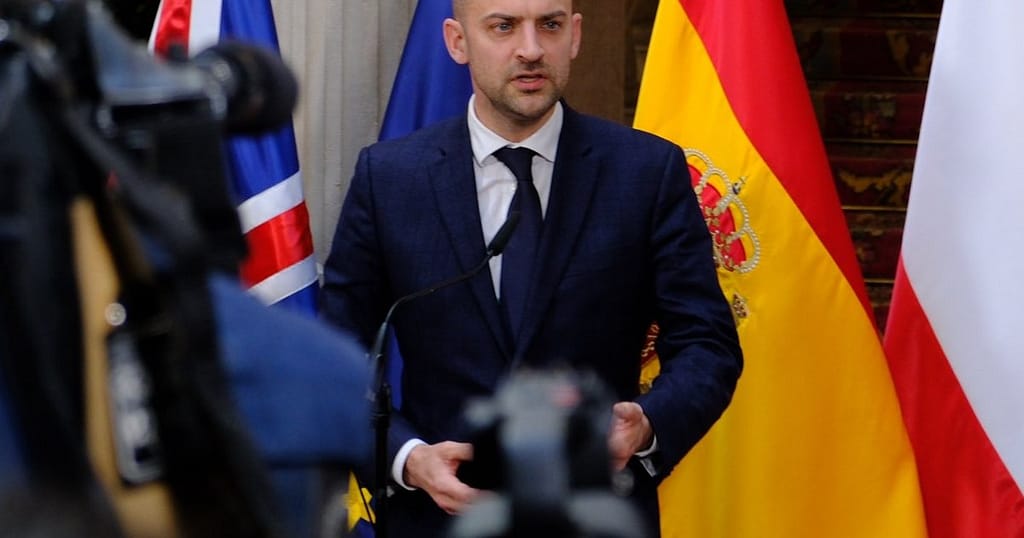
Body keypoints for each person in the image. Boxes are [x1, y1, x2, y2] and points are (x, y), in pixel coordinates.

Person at [320, 0, 743, 535]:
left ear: (575, 35)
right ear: (457, 41)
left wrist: (648, 424)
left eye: (550, 25)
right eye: (503, 27)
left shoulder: (645, 172)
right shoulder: (389, 178)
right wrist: (407, 458)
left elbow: (707, 343)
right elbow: (331, 359)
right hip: (435, 519)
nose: (531, 49)